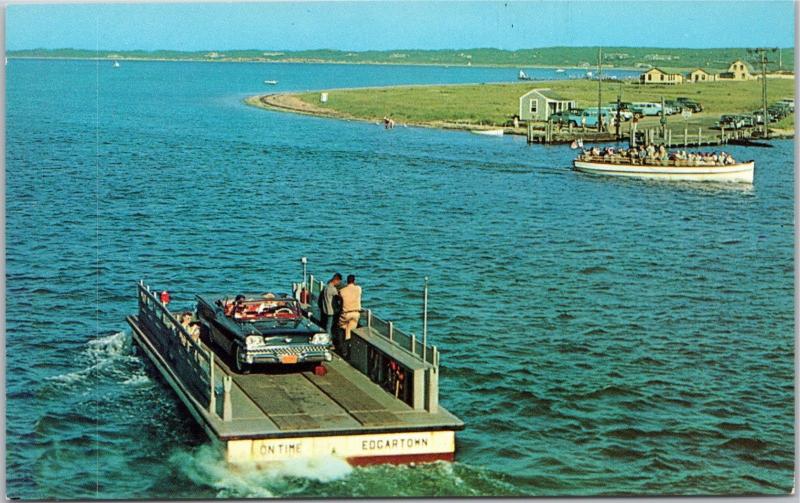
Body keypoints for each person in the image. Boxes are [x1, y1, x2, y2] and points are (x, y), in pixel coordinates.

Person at [338, 274, 362, 351]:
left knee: (341, 327)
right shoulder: (358, 289)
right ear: (354, 281)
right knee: (350, 330)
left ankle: (343, 348)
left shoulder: (342, 291)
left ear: (347, 281)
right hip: (356, 313)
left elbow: (340, 301)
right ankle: (349, 347)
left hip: (346, 314)